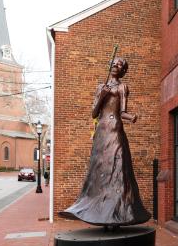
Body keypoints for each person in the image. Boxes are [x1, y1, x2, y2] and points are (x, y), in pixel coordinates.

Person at [59, 57, 150, 226]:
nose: (115, 66)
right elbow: (94, 113)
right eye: (113, 64)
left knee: (117, 167)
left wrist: (132, 117)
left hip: (115, 128)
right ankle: (97, 211)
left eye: (119, 65)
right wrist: (102, 96)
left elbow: (123, 112)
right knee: (99, 169)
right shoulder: (101, 87)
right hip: (101, 131)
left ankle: (118, 212)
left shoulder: (123, 87)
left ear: (123, 71)